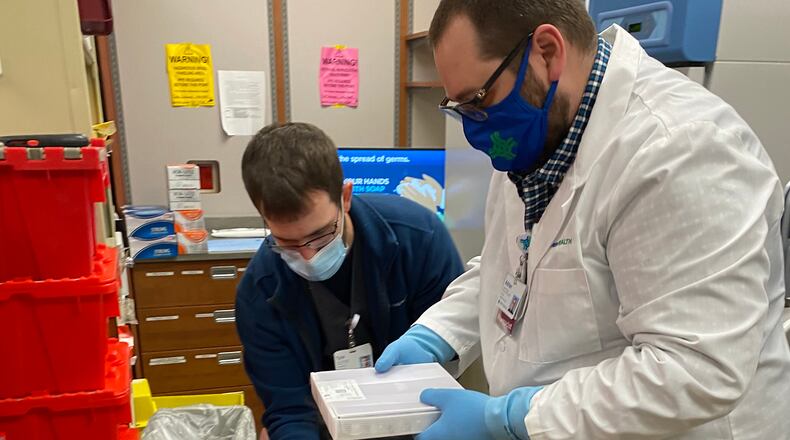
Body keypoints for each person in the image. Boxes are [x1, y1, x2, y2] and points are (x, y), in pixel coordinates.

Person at [375, 1, 790, 439]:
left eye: (479, 101)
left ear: (548, 52)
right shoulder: (540, 139)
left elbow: (695, 368)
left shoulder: (680, 150)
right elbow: (512, 265)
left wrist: (510, 418)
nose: (475, 131)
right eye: (459, 108)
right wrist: (433, 336)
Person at [236, 122, 464, 439]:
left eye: (320, 235)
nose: (308, 256)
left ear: (345, 197)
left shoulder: (419, 240)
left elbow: (447, 364)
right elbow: (290, 411)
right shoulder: (260, 292)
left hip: (414, 416)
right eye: (287, 243)